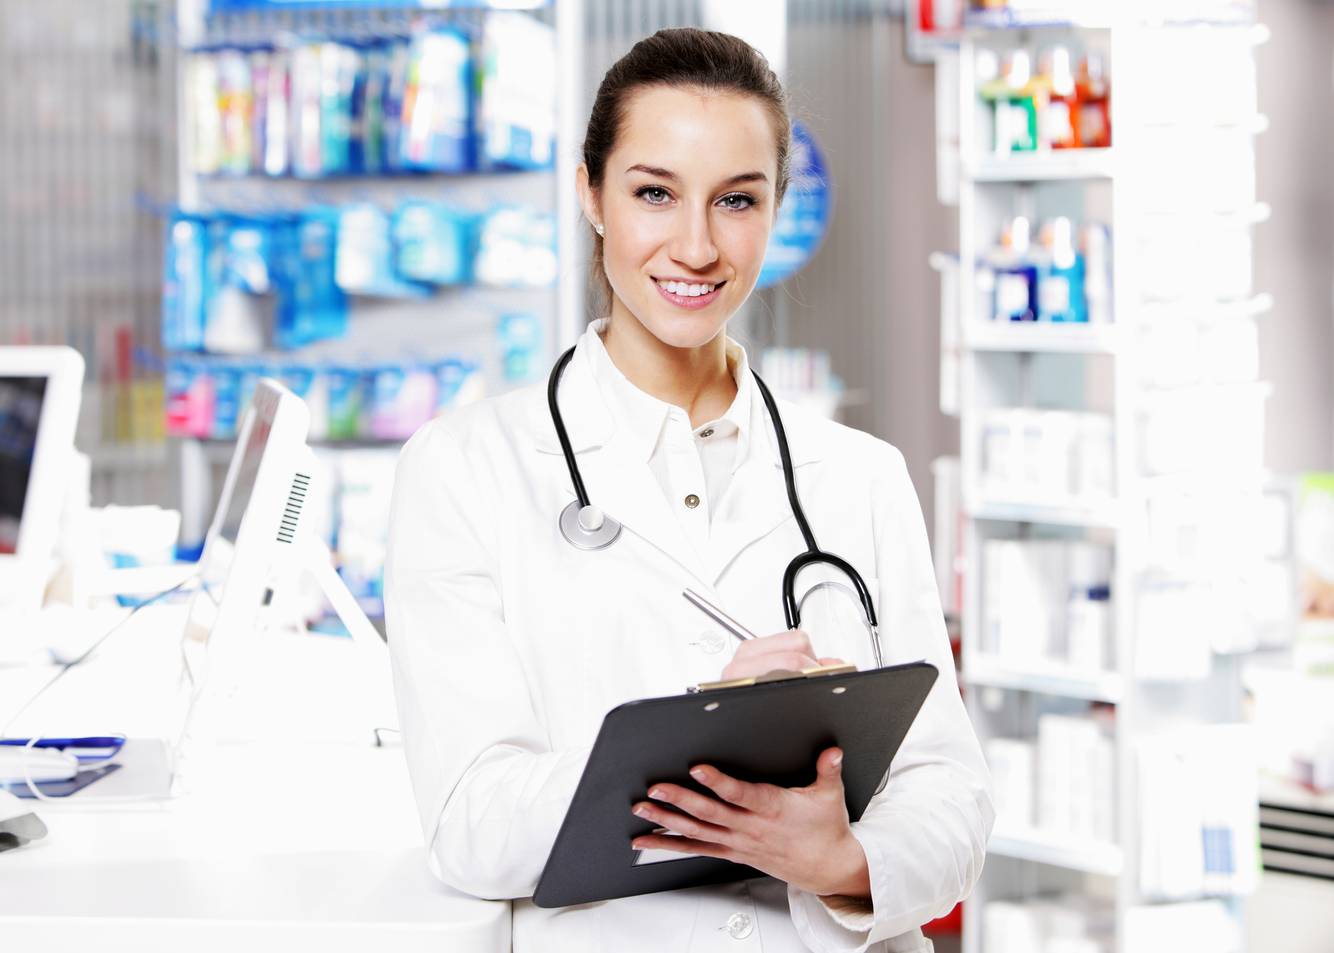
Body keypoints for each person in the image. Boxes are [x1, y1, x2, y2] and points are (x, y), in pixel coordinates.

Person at [385, 27, 993, 953]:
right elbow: (473, 824)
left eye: (737, 200)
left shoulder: (861, 475)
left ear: (775, 207)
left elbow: (951, 795)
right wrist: (700, 731)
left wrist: (843, 860)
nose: (698, 246)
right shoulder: (467, 467)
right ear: (591, 195)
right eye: (655, 193)